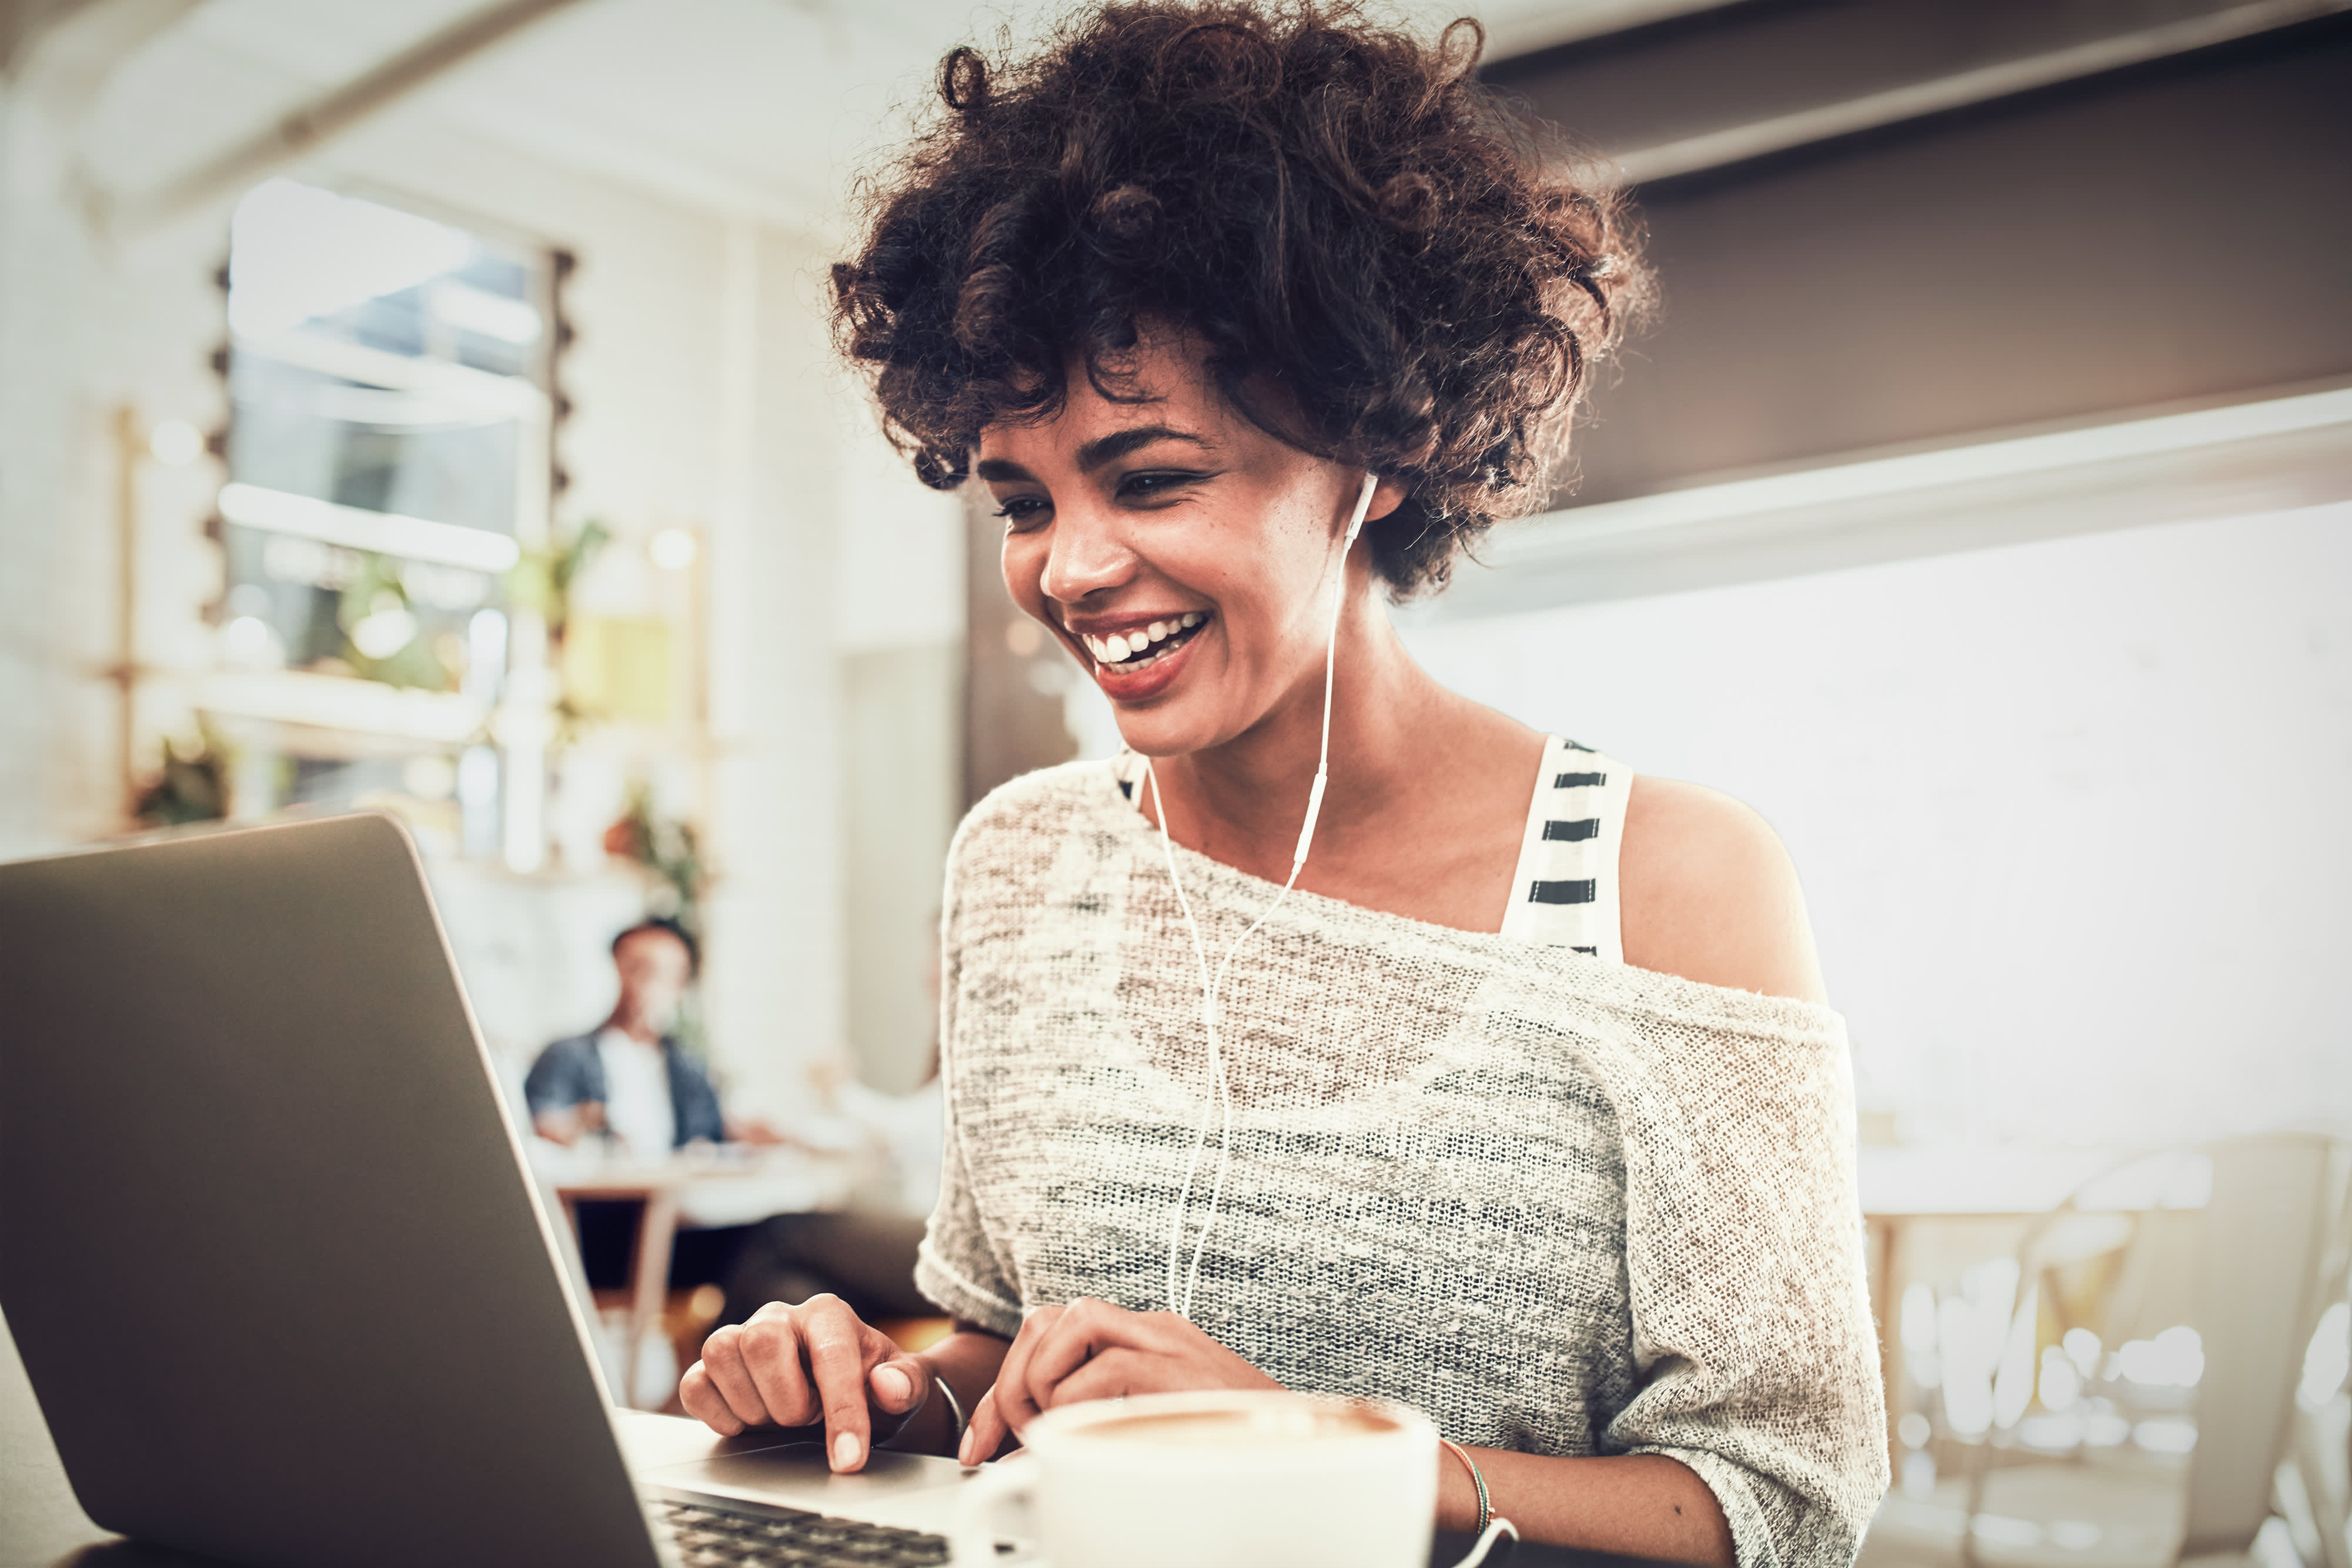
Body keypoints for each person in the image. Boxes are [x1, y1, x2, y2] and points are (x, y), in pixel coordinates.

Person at [681, 6, 1887, 1564]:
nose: (1073, 568)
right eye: (1021, 499)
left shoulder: (1665, 880)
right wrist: (872, 1385)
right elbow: (1005, 1360)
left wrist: (1327, 1454)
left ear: (1380, 446)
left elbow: (1784, 1508)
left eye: (1153, 475)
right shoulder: (1023, 864)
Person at [524, 917, 770, 1289]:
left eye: (669, 976)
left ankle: (723, 1346)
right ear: (615, 971)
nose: (650, 985)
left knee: (774, 1252)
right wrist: (584, 1123)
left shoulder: (686, 1065)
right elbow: (540, 1130)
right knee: (781, 1247)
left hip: (678, 1225)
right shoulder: (567, 1056)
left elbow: (720, 1133)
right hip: (602, 1234)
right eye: (639, 969)